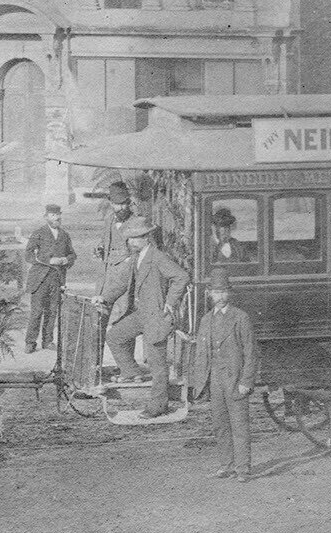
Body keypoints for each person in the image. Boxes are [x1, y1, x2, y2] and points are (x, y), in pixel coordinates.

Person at [99, 217, 190, 416]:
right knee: (115, 336)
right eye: (129, 239)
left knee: (158, 366)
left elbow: (181, 277)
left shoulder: (157, 257)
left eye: (135, 238)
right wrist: (103, 298)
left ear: (147, 238)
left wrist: (170, 302)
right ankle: (132, 372)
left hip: (157, 317)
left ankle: (159, 406)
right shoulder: (137, 258)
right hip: (142, 315)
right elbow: (123, 283)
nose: (130, 242)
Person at [192, 267, 259, 479]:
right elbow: (201, 355)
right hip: (215, 381)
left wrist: (246, 380)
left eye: (223, 292)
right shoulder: (205, 320)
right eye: (215, 292)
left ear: (229, 293)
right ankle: (226, 465)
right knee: (220, 425)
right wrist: (199, 382)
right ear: (209, 294)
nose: (219, 296)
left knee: (239, 425)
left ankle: (243, 469)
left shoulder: (241, 318)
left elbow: (251, 352)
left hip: (235, 380)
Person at [22, 203, 76, 354]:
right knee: (37, 311)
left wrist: (66, 259)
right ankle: (30, 342)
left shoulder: (64, 235)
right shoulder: (38, 233)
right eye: (53, 215)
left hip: (57, 279)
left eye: (58, 214)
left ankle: (47, 341)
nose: (56, 217)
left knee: (52, 311)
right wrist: (48, 260)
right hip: (40, 278)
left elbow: (73, 254)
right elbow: (28, 254)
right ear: (46, 217)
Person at [95, 181, 139, 273]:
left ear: (129, 203)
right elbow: (105, 242)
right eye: (117, 204)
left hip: (128, 272)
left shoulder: (137, 222)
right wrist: (100, 249)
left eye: (124, 204)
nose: (122, 208)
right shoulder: (109, 220)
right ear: (111, 203)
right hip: (107, 271)